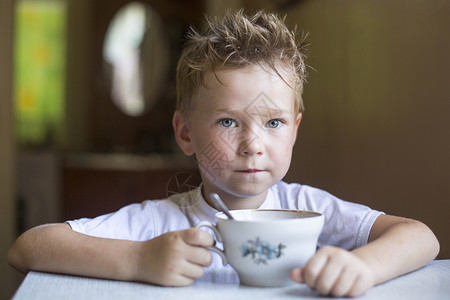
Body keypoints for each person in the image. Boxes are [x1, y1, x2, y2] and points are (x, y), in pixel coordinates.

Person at [8, 9, 439, 297]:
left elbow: (421, 237)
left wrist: (363, 268)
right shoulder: (160, 225)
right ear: (185, 133)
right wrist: (138, 259)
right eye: (228, 122)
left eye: (273, 123)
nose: (253, 144)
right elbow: (29, 247)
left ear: (295, 131)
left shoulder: (310, 210)